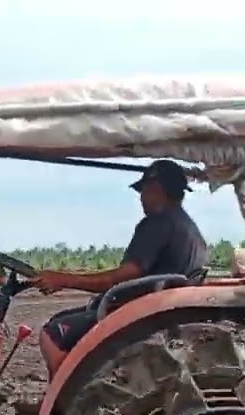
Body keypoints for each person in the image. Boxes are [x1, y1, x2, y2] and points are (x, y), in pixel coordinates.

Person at [34, 159, 209, 378]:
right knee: (67, 317)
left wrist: (63, 280)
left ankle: (62, 405)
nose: (141, 199)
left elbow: (120, 279)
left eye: (143, 191)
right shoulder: (192, 231)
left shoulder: (157, 223)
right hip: (163, 311)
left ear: (155, 189)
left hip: (141, 314)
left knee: (53, 334)